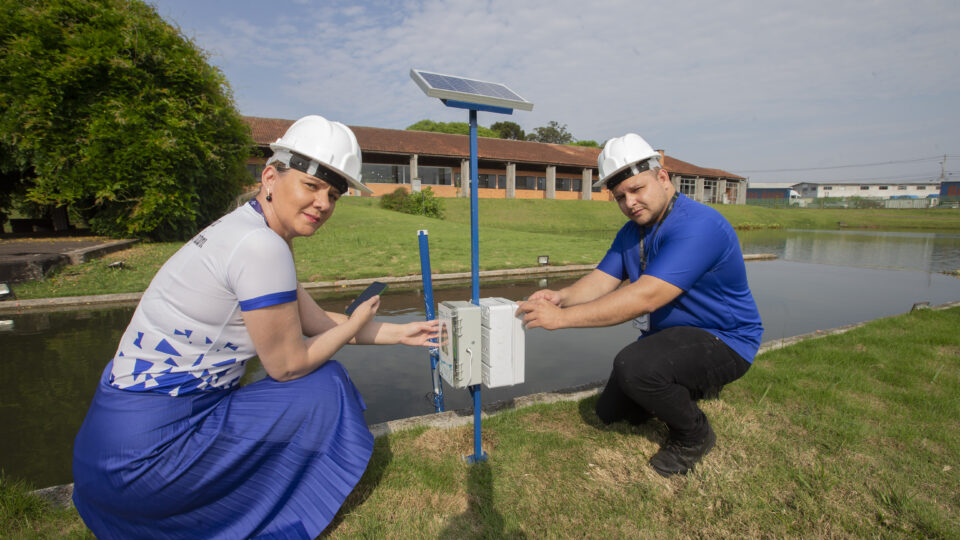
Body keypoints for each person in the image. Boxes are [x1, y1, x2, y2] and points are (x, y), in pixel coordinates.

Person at [72, 115, 439, 538]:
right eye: (311, 186)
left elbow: (316, 323)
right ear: (270, 176)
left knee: (314, 380)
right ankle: (274, 511)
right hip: (146, 459)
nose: (323, 203)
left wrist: (402, 332)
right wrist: (355, 322)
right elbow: (287, 364)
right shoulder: (262, 247)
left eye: (333, 195)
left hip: (106, 455)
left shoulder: (248, 229)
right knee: (324, 386)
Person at [516, 133, 762, 477]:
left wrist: (561, 318)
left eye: (637, 189)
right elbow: (602, 280)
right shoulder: (633, 231)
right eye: (620, 197)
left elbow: (644, 296)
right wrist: (562, 296)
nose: (630, 203)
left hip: (725, 339)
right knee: (612, 413)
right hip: (675, 337)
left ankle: (694, 435)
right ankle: (689, 386)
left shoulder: (700, 226)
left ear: (663, 177)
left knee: (635, 366)